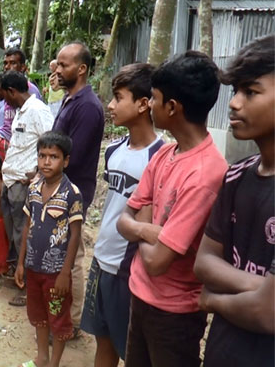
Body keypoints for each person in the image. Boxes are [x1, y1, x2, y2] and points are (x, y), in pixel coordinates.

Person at [116, 51, 228, 367]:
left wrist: (139, 219)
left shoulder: (206, 174)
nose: (149, 105)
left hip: (174, 314)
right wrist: (149, 229)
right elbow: (124, 221)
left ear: (172, 107)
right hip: (140, 297)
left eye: (153, 98)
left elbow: (156, 262)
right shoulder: (165, 154)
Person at [193, 34, 275, 367]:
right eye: (236, 91)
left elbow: (267, 314)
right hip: (222, 352)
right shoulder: (236, 176)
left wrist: (213, 299)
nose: (234, 103)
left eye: (251, 92)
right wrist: (262, 287)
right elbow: (203, 263)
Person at [80, 63, 163, 367]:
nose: (111, 106)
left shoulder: (160, 158)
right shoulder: (113, 151)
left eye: (118, 97)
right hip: (102, 260)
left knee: (129, 345)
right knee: (102, 339)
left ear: (143, 104)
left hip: (129, 269)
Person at [14, 131, 83, 367]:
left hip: (56, 274)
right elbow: (27, 227)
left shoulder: (71, 194)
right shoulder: (33, 189)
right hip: (33, 268)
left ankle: (54, 363)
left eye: (53, 157)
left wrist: (66, 272)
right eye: (42, 155)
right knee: (38, 315)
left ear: (65, 161)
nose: (46, 161)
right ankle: (41, 357)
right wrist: (21, 263)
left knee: (58, 318)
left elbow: (75, 235)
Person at [52, 41, 105, 334]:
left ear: (81, 69)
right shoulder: (71, 98)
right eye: (57, 64)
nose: (57, 70)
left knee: (71, 256)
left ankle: (70, 321)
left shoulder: (87, 106)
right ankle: (59, 314)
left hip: (72, 192)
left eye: (64, 65)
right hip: (58, 189)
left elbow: (75, 154)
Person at [0, 71, 54, 306]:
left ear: (12, 91)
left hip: (24, 185)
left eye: (4, 95)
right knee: (15, 234)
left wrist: (39, 173)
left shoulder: (38, 111)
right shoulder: (22, 112)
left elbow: (52, 143)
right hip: (11, 181)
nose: (4, 101)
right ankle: (18, 276)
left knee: (26, 236)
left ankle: (30, 288)